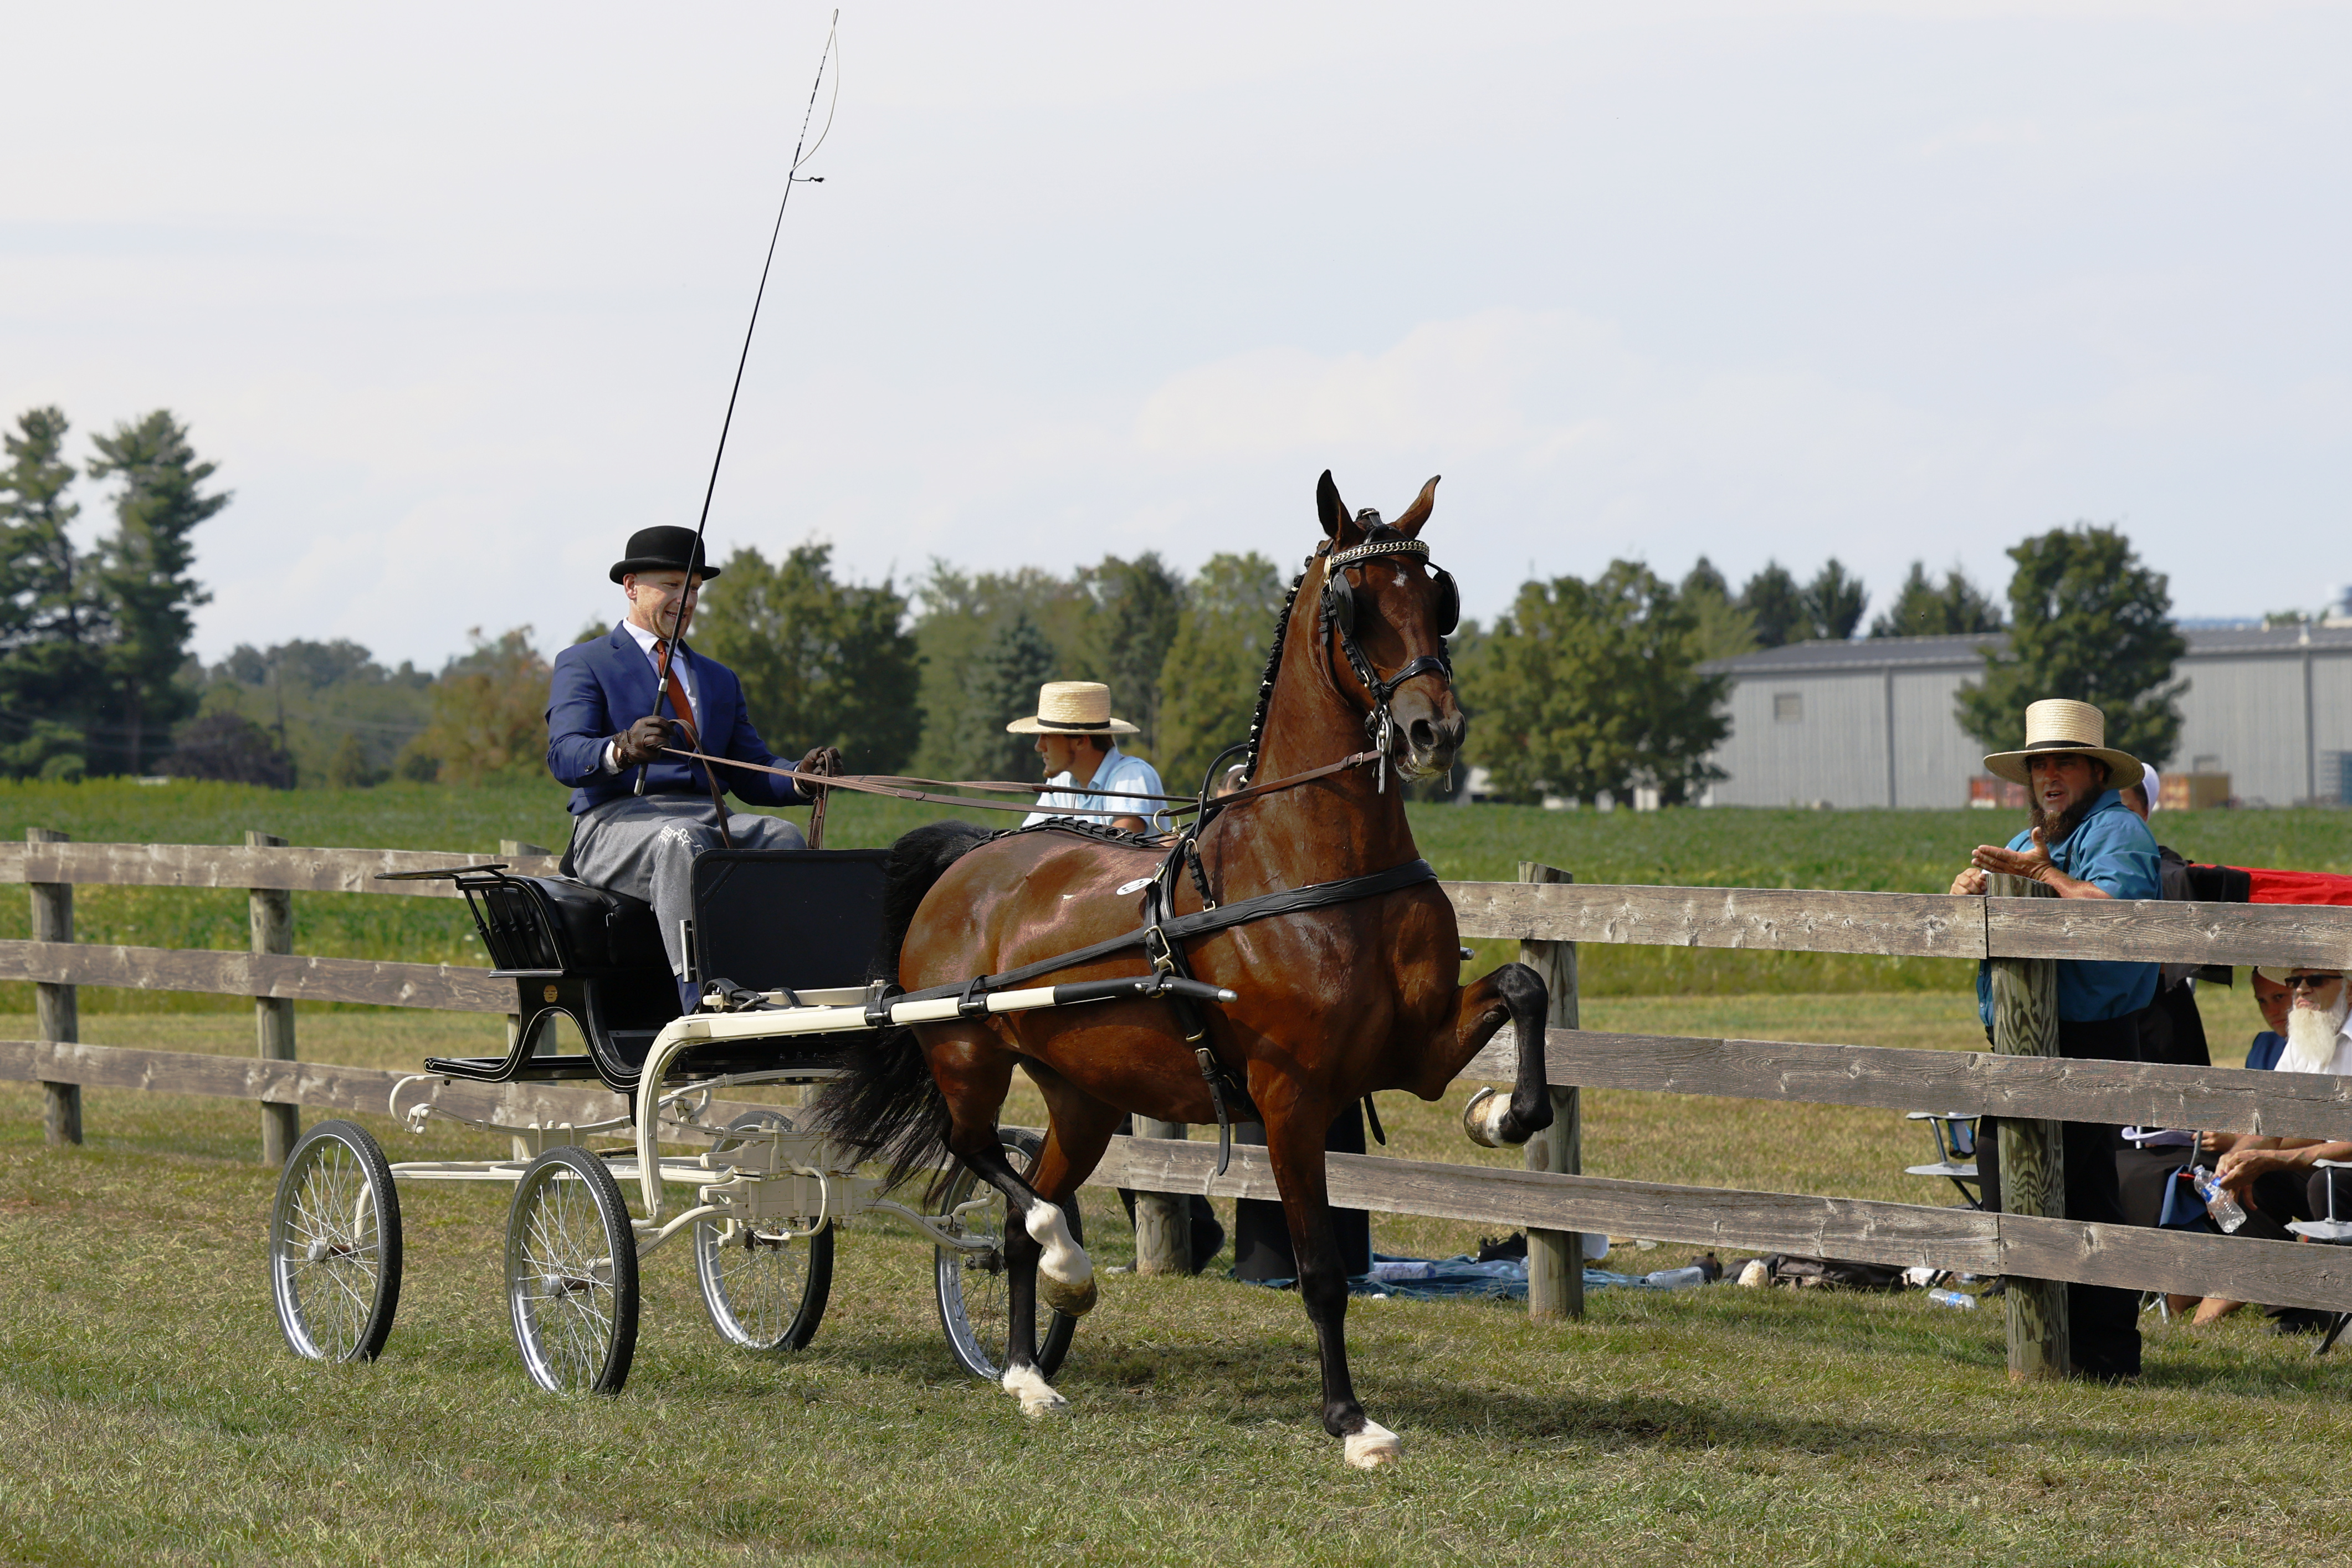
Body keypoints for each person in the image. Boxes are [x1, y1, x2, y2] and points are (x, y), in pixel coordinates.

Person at [1950, 698, 2160, 1381]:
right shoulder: (2034, 834)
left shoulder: (2118, 831)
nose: (2049, 775)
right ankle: (2077, 1343)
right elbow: (1993, 916)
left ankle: (2085, 1348)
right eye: (2039, 764)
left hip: (2090, 1034)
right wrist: (1972, 895)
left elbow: (2118, 917)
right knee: (2044, 1183)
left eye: (2064, 761)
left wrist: (2044, 878)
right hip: (2027, 1034)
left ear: (2096, 770)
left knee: (2056, 1188)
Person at [546, 526, 838, 1012]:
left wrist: (800, 777)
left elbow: (749, 768)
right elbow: (564, 754)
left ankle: (786, 990)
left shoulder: (718, 678)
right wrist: (621, 748)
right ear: (631, 586)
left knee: (781, 836)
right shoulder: (585, 662)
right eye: (672, 586)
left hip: (708, 816)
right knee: (680, 840)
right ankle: (701, 999)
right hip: (614, 823)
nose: (685, 601)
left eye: (695, 590)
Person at [1012, 681, 1170, 834]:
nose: (1039, 746)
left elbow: (1121, 844)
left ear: (1081, 741)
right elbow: (1026, 840)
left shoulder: (1132, 775)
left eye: (1047, 736)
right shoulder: (1060, 781)